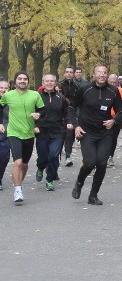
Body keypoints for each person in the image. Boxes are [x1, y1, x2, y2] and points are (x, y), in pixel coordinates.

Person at [69, 65, 122, 205]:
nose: (102, 75)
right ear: (94, 74)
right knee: (89, 163)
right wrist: (76, 126)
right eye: (99, 73)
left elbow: (121, 110)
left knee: (102, 164)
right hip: (87, 132)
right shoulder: (85, 89)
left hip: (105, 133)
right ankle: (79, 182)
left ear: (107, 75)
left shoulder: (113, 91)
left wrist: (113, 120)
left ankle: (93, 195)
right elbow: (71, 107)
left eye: (104, 73)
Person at [0, 72, 45, 204]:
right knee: (18, 162)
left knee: (24, 164)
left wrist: (38, 116)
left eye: (25, 79)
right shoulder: (8, 95)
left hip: (29, 133)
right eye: (20, 79)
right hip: (14, 132)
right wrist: (1, 123)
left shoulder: (34, 95)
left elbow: (43, 111)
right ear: (15, 82)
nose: (22, 81)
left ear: (28, 82)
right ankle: (18, 189)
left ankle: (19, 183)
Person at [34, 74, 72, 192]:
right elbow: (31, 113)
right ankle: (40, 168)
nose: (49, 83)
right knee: (43, 158)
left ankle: (50, 179)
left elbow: (66, 113)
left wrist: (69, 123)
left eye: (52, 81)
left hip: (57, 132)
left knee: (54, 156)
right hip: (42, 131)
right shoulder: (37, 97)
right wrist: (34, 126)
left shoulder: (61, 98)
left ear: (55, 83)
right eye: (47, 81)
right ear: (43, 82)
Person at [59, 66, 82, 167]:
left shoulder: (76, 86)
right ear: (64, 73)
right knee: (60, 135)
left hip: (71, 112)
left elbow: (79, 100)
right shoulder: (59, 85)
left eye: (70, 72)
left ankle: (68, 156)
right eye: (67, 72)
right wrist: (64, 99)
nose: (69, 74)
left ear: (73, 74)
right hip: (59, 112)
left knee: (69, 134)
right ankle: (57, 155)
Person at [0, 79, 9, 190]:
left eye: (5, 88)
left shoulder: (11, 101)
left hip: (7, 134)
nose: (2, 90)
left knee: (4, 158)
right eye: (1, 88)